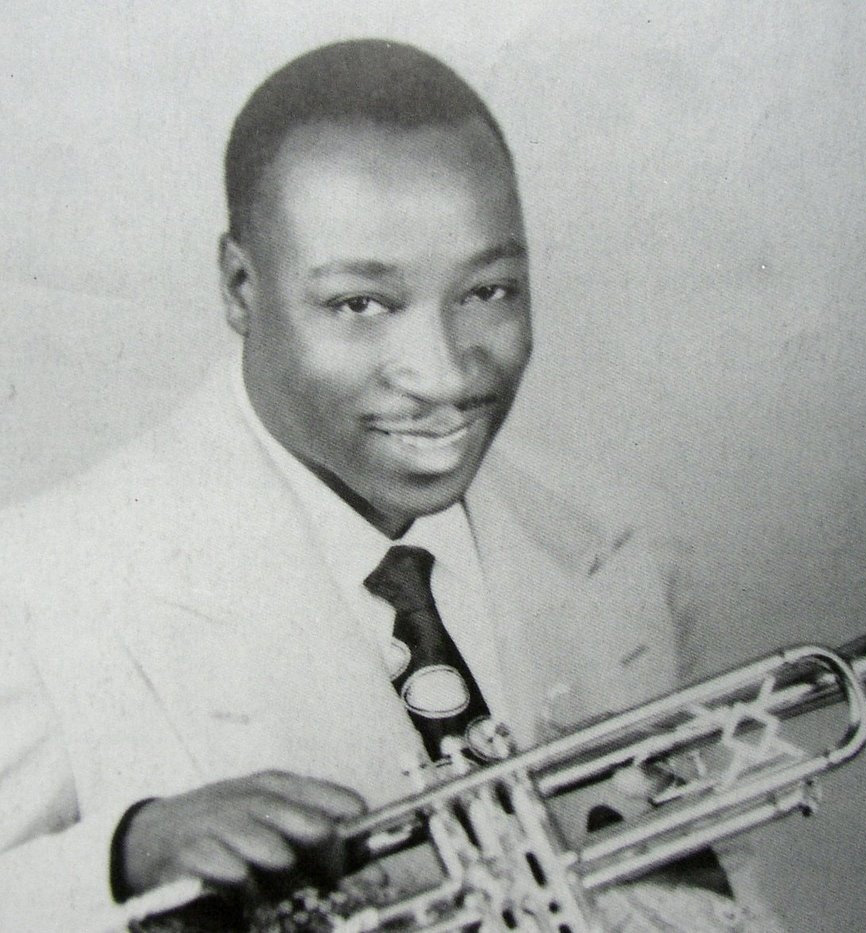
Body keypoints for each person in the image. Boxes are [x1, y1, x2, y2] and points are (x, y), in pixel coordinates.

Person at [0, 40, 778, 931]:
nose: (443, 374)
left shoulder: (626, 539)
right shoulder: (41, 579)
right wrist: (122, 858)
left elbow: (724, 894)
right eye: (361, 304)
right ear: (241, 287)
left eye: (489, 290)